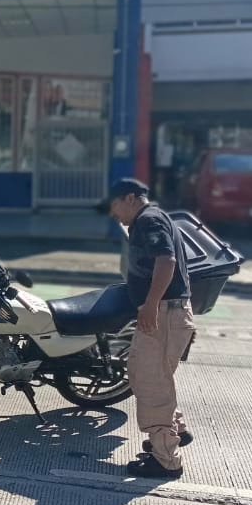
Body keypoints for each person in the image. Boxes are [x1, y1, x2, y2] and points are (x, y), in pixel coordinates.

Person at [102, 178, 194, 479]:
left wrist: (152, 304)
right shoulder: (154, 218)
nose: (113, 214)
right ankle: (173, 430)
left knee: (149, 382)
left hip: (164, 314)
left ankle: (165, 459)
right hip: (171, 312)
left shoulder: (148, 220)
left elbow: (165, 261)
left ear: (130, 198)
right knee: (154, 378)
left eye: (114, 206)